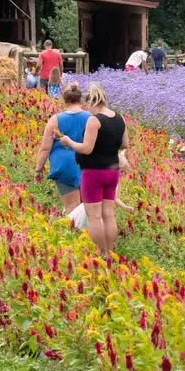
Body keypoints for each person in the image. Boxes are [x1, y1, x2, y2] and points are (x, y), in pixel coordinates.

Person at [58, 84, 128, 255]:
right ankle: (110, 252)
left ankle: (101, 252)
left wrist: (69, 142)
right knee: (108, 214)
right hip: (112, 172)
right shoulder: (119, 118)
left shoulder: (94, 120)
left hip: (93, 173)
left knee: (94, 216)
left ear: (91, 101)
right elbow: (125, 144)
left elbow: (86, 149)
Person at [33, 83, 90, 214]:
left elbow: (45, 148)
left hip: (64, 166)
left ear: (64, 99)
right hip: (86, 164)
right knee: (88, 208)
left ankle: (73, 227)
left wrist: (38, 170)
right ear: (80, 99)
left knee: (72, 209)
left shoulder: (55, 120)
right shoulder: (91, 118)